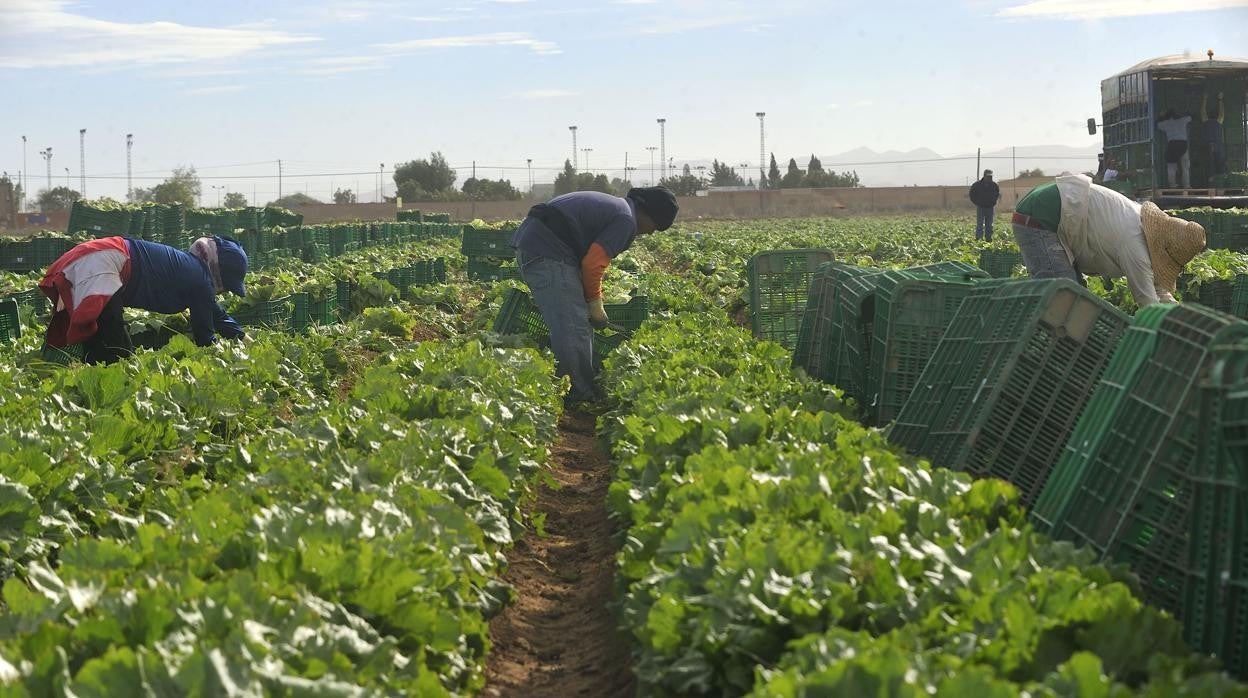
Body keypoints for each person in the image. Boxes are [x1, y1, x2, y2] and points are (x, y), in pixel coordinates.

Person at [510, 186, 678, 404]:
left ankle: (577, 385)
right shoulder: (626, 220)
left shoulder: (619, 207)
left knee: (575, 320)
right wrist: (595, 303)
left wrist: (590, 298)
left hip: (538, 243)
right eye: (655, 227)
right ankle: (578, 394)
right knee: (574, 325)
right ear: (647, 213)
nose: (649, 233)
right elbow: (593, 263)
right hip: (547, 251)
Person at [40, 235, 249, 363]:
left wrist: (241, 337)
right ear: (219, 272)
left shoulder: (192, 270)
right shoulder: (200, 280)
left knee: (101, 341)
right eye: (226, 286)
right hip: (104, 264)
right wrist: (222, 359)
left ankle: (90, 382)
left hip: (98, 256)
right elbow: (205, 337)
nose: (222, 292)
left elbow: (215, 313)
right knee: (119, 351)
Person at [1011, 173, 1205, 307]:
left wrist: (1175, 309)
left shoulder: (1138, 217)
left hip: (1057, 209)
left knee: (1077, 301)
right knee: (1065, 300)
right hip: (1039, 217)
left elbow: (1156, 287)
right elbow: (1148, 303)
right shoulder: (1134, 246)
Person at [1157, 109, 1193, 188]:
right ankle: (1187, 185)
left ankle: (1172, 185)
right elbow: (1190, 117)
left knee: (1171, 166)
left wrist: (1161, 116)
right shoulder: (1182, 120)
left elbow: (1158, 125)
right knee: (1185, 166)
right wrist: (1186, 112)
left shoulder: (1165, 123)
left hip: (1172, 144)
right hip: (1183, 144)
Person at [969, 169, 1000, 242]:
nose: (990, 178)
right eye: (988, 176)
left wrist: (993, 202)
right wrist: (978, 203)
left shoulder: (994, 185)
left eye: (991, 176)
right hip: (981, 207)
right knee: (980, 224)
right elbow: (972, 195)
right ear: (984, 176)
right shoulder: (977, 185)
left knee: (989, 225)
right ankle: (979, 240)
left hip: (990, 208)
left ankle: (988, 240)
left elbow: (997, 194)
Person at [1203, 91, 1227, 179]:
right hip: (1218, 145)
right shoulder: (1218, 121)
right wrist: (1220, 100)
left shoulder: (1206, 121)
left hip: (1209, 144)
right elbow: (1222, 112)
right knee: (1219, 160)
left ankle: (1211, 175)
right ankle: (1222, 173)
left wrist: (1204, 99)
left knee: (1210, 161)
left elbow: (1202, 111)